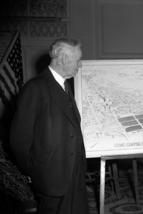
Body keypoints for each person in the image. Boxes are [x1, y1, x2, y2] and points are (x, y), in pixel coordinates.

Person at [9, 38, 89, 214]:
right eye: (77, 60)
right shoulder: (35, 88)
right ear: (62, 59)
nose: (80, 65)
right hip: (52, 180)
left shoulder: (65, 86)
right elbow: (18, 140)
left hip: (73, 177)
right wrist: (38, 172)